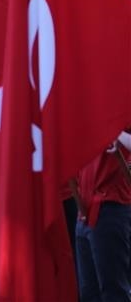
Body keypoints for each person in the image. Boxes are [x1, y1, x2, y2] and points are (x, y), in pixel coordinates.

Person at [75, 128, 131, 302]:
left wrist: (115, 133)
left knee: (113, 291)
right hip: (83, 208)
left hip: (110, 208)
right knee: (88, 292)